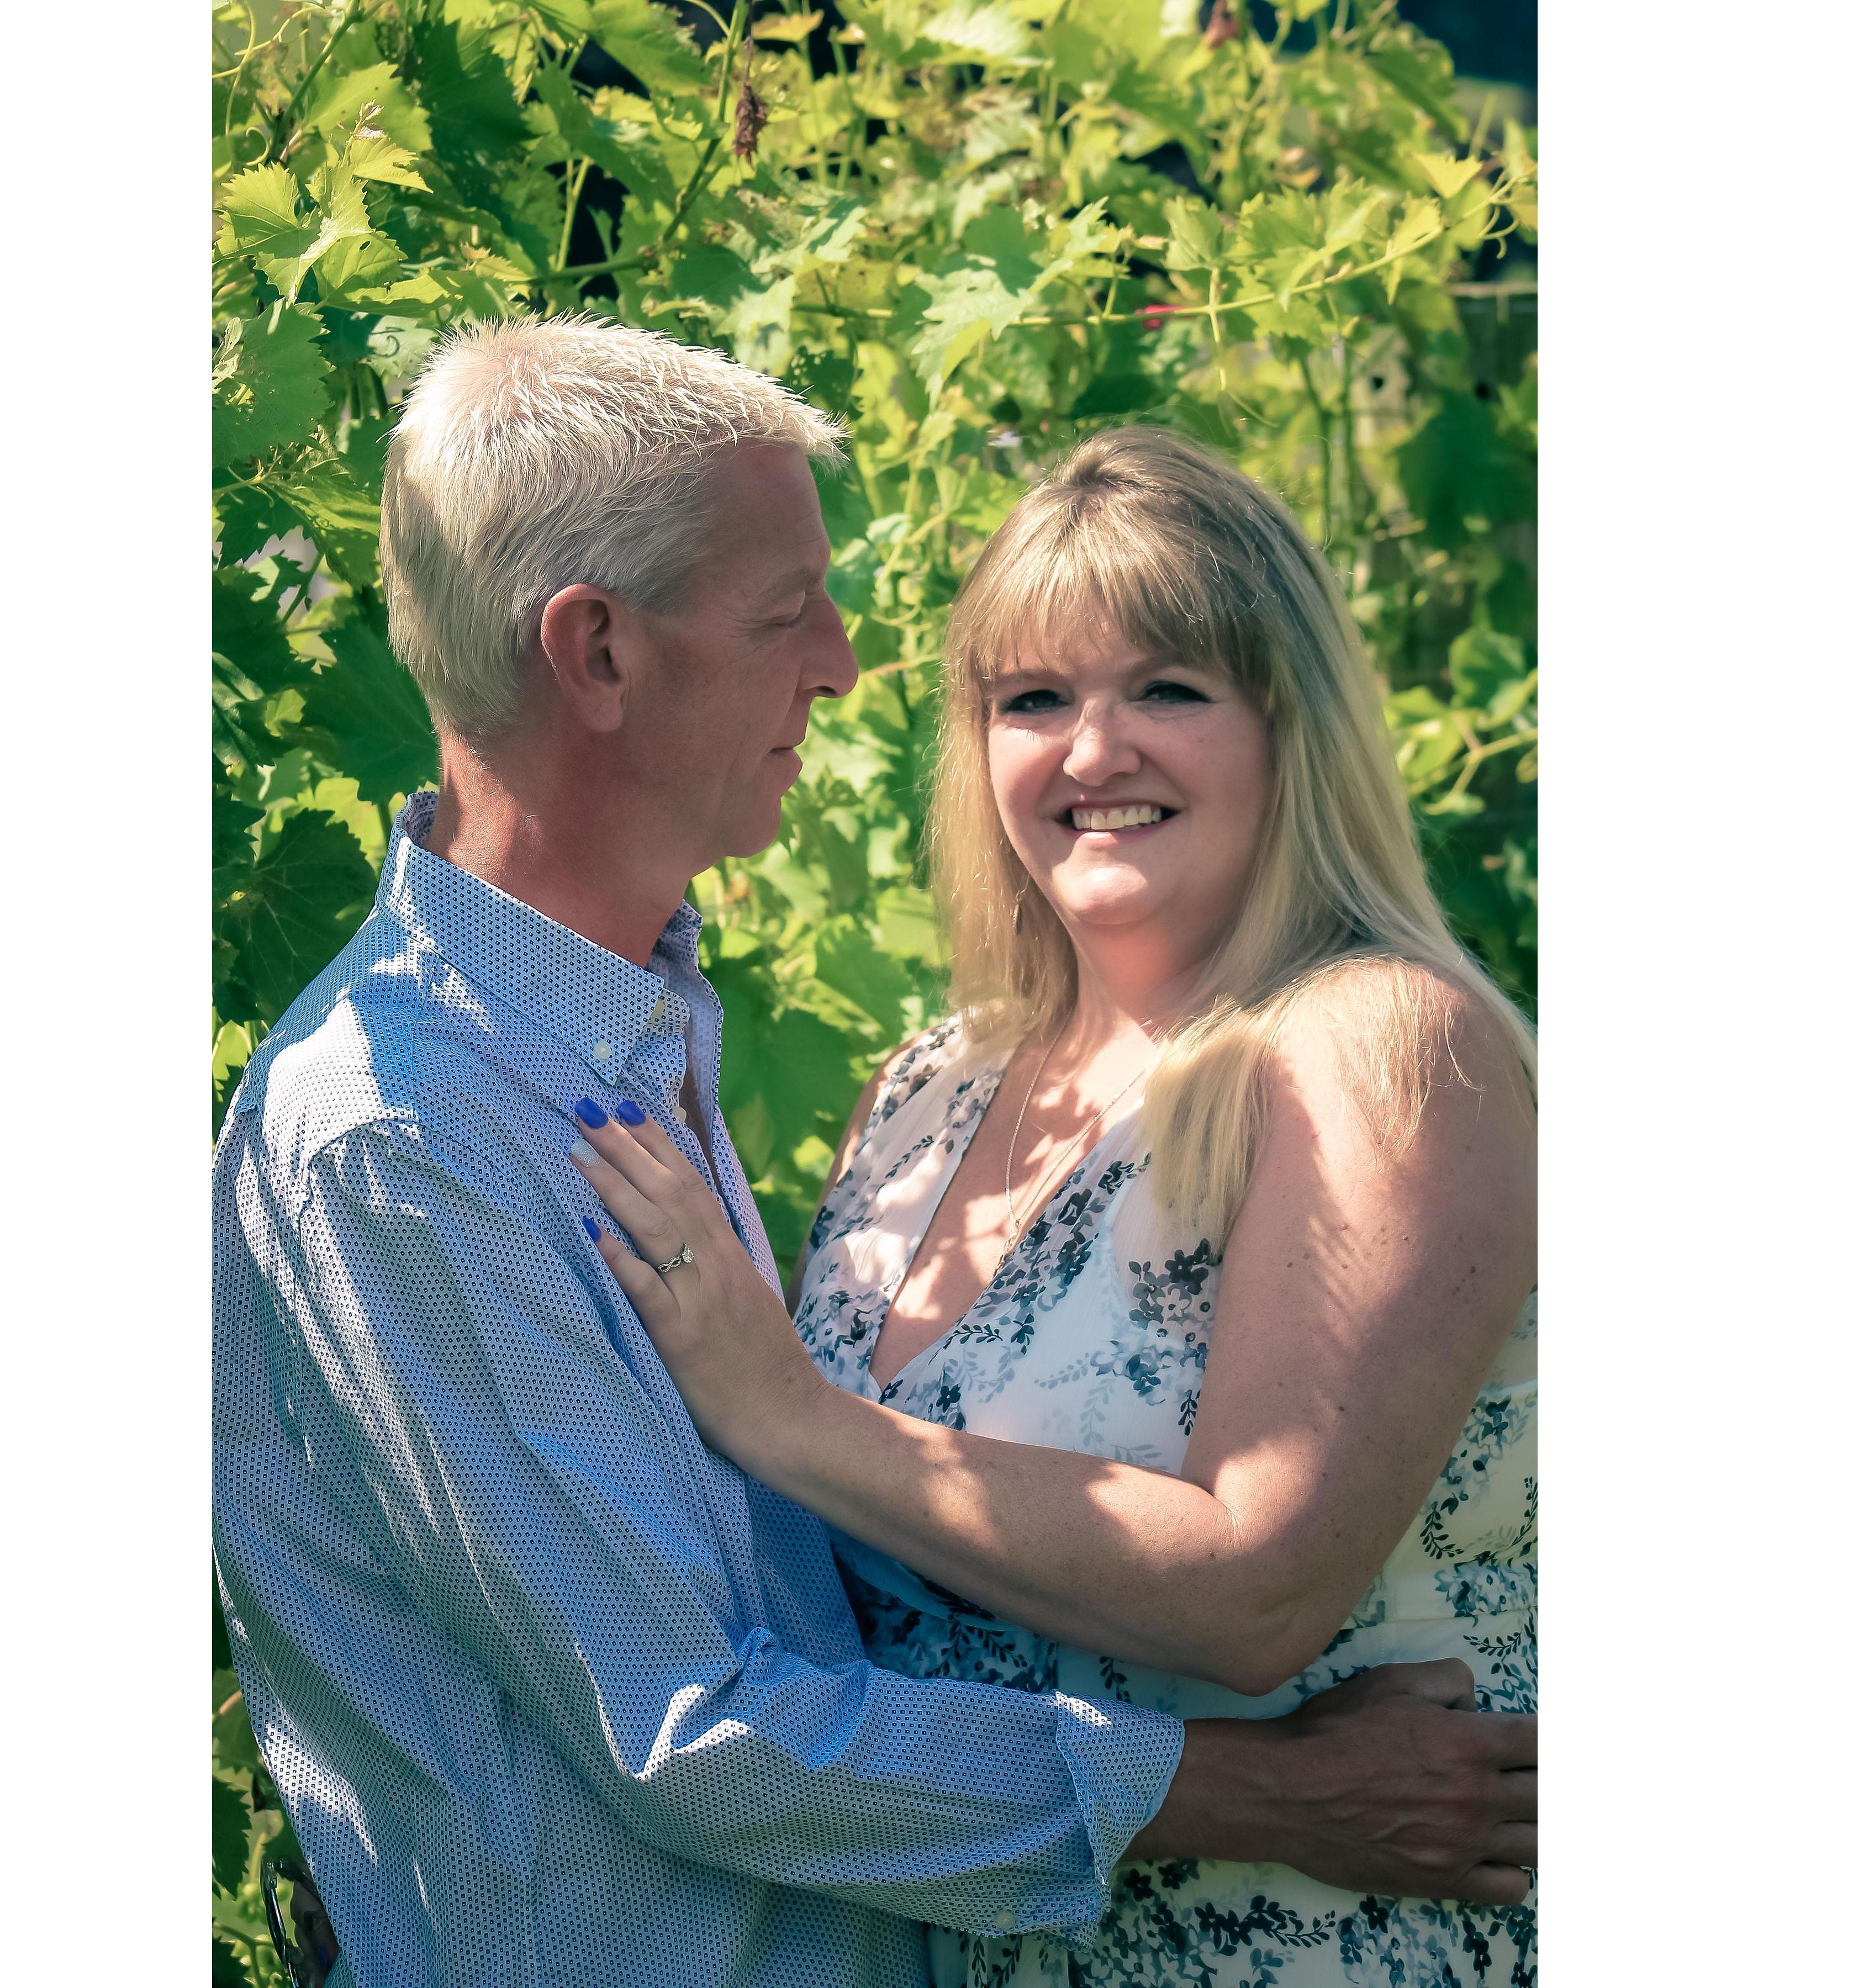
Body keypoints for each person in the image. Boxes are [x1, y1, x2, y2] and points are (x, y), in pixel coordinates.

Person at [213, 319, 1538, 1988]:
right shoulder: (415, 1132)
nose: (843, 664)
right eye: (789, 615)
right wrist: (1259, 1793)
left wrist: (795, 1421)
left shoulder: (632, 1030)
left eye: (1173, 689)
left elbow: (825, 1571)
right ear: (600, 657)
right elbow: (693, 1727)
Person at [569, 425, 1539, 1986]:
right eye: (1035, 700)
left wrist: (793, 1416)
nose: (1093, 754)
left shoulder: (1376, 1045)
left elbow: (1259, 1587)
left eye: (1168, 687)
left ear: (1288, 725)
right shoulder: (934, 1086)